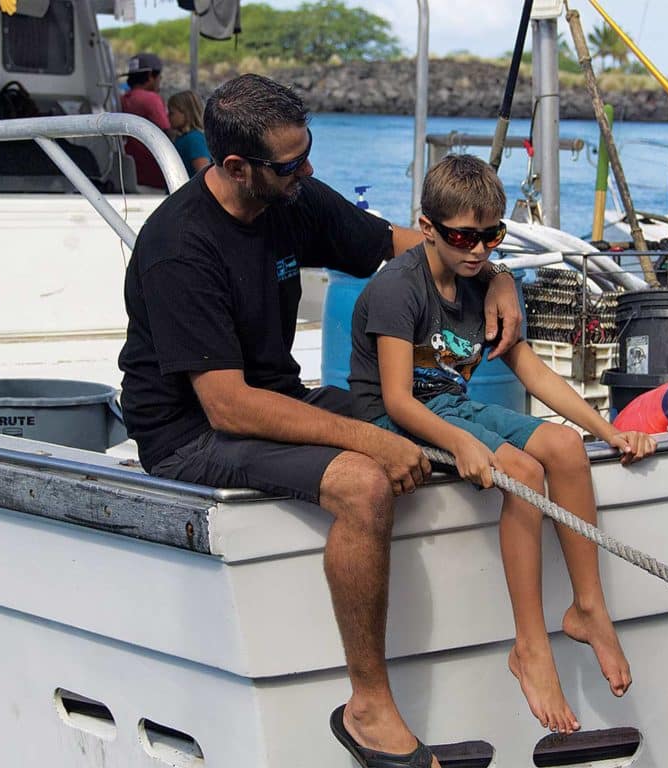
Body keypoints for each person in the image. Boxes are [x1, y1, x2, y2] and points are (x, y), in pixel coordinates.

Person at [117, 75, 523, 768]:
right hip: (191, 432)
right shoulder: (180, 247)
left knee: (442, 436)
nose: (305, 171)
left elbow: (406, 245)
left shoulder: (292, 198)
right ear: (235, 167)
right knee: (365, 482)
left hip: (278, 396)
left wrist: (500, 277)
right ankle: (367, 707)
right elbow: (227, 406)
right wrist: (368, 438)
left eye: (307, 154)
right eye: (288, 164)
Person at [348, 154, 657, 736]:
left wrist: (607, 430)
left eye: (492, 236)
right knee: (521, 470)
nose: (479, 250)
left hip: (451, 406)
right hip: (398, 422)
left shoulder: (482, 283)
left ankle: (588, 609)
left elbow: (535, 374)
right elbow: (396, 400)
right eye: (464, 236)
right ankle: (530, 646)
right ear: (429, 227)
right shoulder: (398, 290)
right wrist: (462, 444)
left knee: (564, 448)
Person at [120, 52, 171, 190]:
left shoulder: (123, 100)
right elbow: (167, 132)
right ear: (150, 76)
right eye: (159, 76)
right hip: (154, 178)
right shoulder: (151, 99)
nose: (160, 80)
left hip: (131, 175)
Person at [167, 90, 210, 176]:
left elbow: (203, 175)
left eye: (172, 113)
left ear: (186, 113)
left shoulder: (194, 139)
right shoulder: (183, 138)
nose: (168, 116)